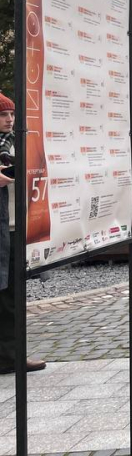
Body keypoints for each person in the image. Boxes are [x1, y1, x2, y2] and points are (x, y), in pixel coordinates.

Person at [0, 92, 47, 375]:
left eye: (11, 115)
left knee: (13, 295)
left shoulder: (19, 144)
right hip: (3, 229)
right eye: (4, 115)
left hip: (17, 228)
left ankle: (11, 354)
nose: (9, 119)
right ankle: (9, 356)